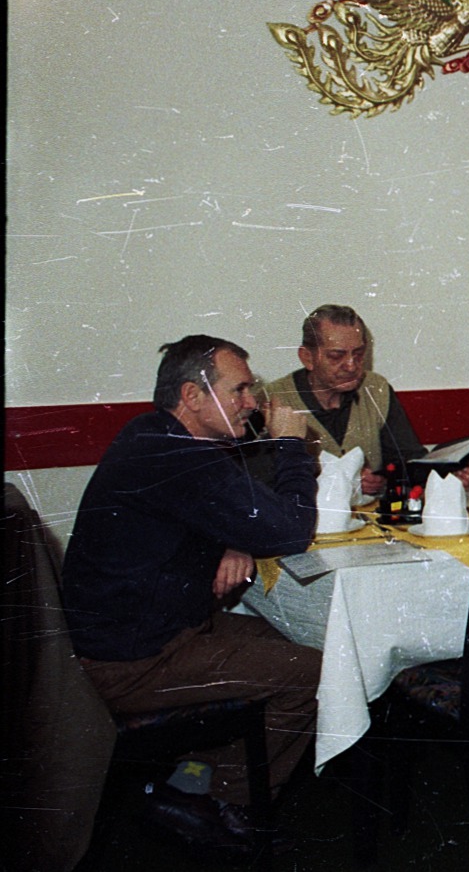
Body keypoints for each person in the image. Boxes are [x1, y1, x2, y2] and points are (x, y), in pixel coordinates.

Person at [60, 335, 321, 857]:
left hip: (141, 635)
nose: (252, 401)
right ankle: (220, 803)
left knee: (287, 633)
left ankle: (195, 777)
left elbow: (223, 504)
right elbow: (290, 532)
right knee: (314, 671)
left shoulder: (155, 436)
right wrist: (292, 446)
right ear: (192, 395)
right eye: (240, 389)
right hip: (133, 661)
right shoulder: (179, 455)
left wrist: (233, 536)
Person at [261, 303, 469, 495]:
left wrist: (448, 474)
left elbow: (407, 461)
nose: (351, 365)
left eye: (359, 354)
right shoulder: (270, 400)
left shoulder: (376, 389)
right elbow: (263, 484)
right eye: (337, 356)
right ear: (307, 357)